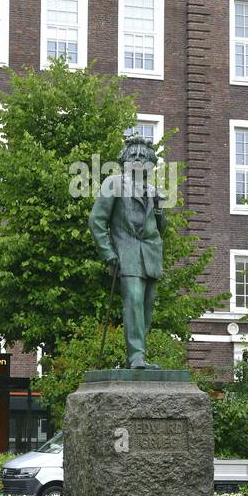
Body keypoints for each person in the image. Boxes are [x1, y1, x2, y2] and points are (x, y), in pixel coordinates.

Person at [88, 134, 166, 368]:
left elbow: (161, 229)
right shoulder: (114, 183)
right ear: (126, 160)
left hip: (151, 255)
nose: (140, 160)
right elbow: (97, 221)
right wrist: (109, 254)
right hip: (127, 253)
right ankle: (136, 357)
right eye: (135, 156)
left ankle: (139, 353)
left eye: (145, 157)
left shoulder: (153, 190)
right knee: (133, 302)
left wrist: (161, 210)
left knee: (146, 308)